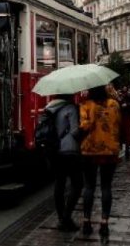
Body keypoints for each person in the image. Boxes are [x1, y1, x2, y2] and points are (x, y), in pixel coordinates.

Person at [78, 85, 121, 237]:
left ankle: (86, 221)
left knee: (89, 187)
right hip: (109, 150)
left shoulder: (85, 105)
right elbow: (118, 123)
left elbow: (84, 126)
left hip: (89, 150)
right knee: (106, 187)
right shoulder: (114, 104)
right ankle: (104, 223)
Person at [44, 94, 82, 232]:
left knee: (59, 183)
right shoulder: (70, 108)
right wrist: (85, 129)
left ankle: (61, 218)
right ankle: (66, 218)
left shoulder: (50, 107)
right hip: (69, 150)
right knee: (77, 184)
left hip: (55, 150)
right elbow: (74, 131)